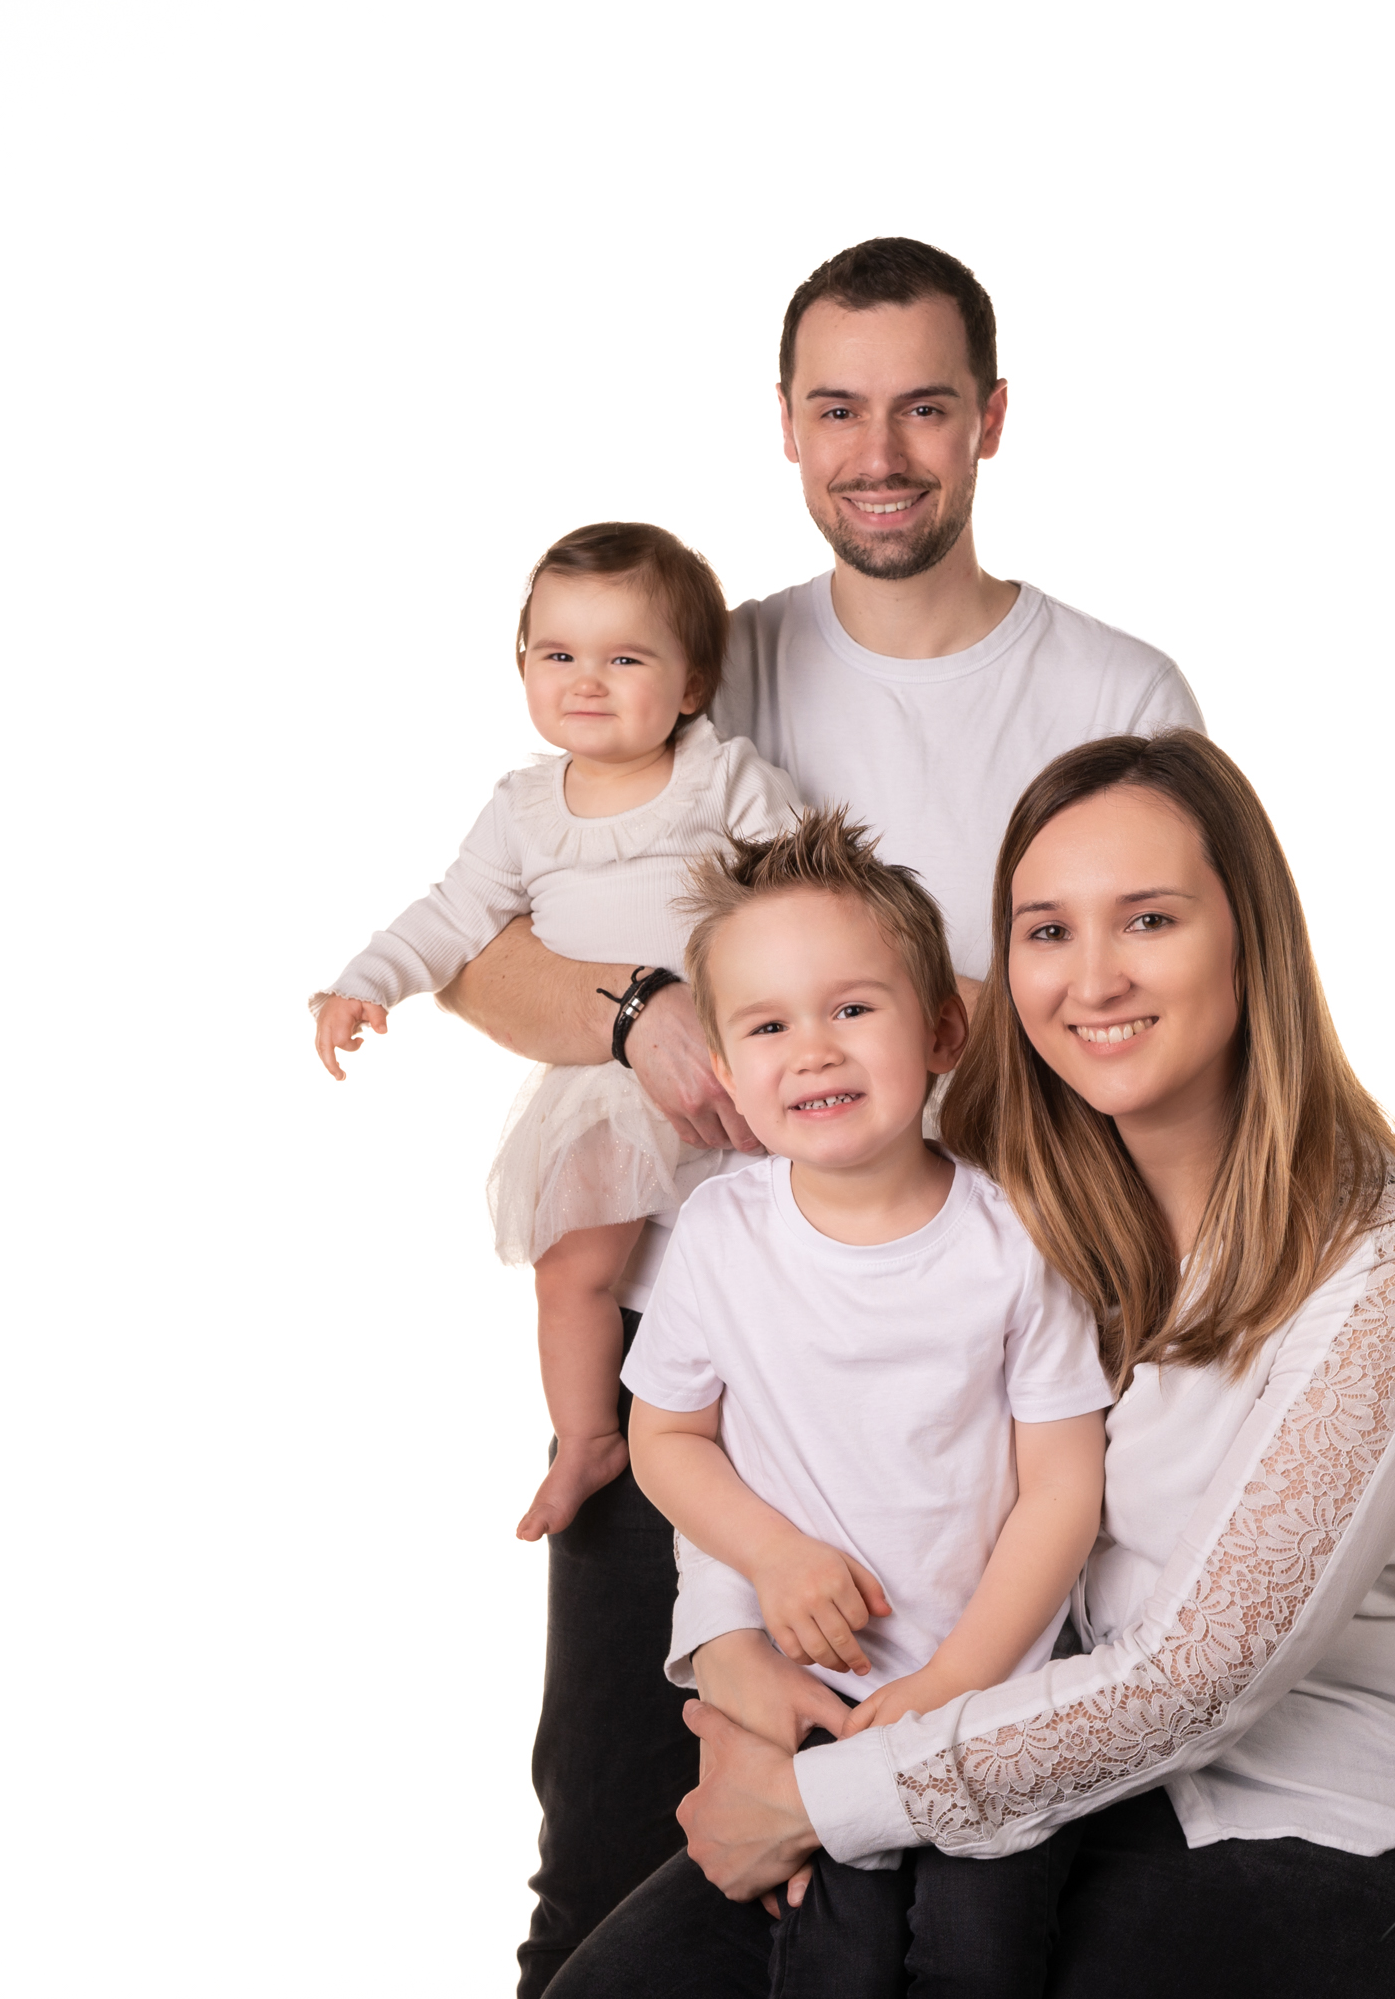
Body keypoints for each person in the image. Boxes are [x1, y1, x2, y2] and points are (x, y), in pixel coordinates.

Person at [434, 240, 1203, 1996]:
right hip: (711, 1365)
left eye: (926, 406)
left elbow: (1151, 1012)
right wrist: (646, 1013)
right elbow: (484, 953)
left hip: (982, 1364)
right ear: (784, 426)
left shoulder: (1117, 695)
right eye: (838, 408)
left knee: (954, 1895)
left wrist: (946, 1052)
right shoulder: (708, 664)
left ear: (990, 422)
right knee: (621, 1840)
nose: (882, 450)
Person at [543, 731, 1395, 1999]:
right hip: (990, 1743)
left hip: (1329, 1818)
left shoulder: (1380, 1261)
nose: (1093, 976)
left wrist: (817, 1795)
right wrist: (739, 1656)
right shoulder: (974, 1175)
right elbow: (766, 1405)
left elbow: (1189, 1686)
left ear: (1250, 938)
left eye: (1149, 919)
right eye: (1045, 929)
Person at [626, 808, 1112, 1996]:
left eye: (852, 1008)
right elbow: (669, 1438)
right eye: (768, 1025)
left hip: (987, 1691)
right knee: (829, 1961)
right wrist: (778, 1559)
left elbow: (1061, 1486)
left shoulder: (1012, 1236)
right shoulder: (721, 1233)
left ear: (942, 1028)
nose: (814, 1050)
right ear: (728, 1073)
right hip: (815, 1689)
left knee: (984, 1955)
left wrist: (957, 1684)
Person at [309, 522, 798, 1540]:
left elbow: (813, 894)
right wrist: (365, 982)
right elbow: (451, 915)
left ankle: (777, 1437)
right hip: (607, 1083)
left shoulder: (721, 779)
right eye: (558, 655)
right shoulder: (525, 810)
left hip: (738, 1071)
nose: (587, 680)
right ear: (523, 665)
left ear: (692, 681)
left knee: (771, 1262)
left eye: (625, 658)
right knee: (574, 1266)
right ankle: (586, 1435)